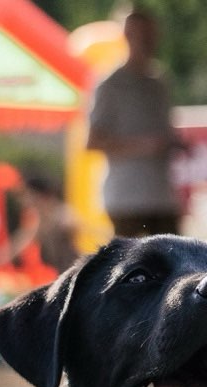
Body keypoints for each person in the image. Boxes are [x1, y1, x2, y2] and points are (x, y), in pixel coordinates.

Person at [86, 10, 185, 238]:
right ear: (127, 35)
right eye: (141, 34)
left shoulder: (160, 83)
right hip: (127, 199)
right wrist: (144, 146)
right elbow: (92, 141)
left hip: (162, 196)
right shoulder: (110, 85)